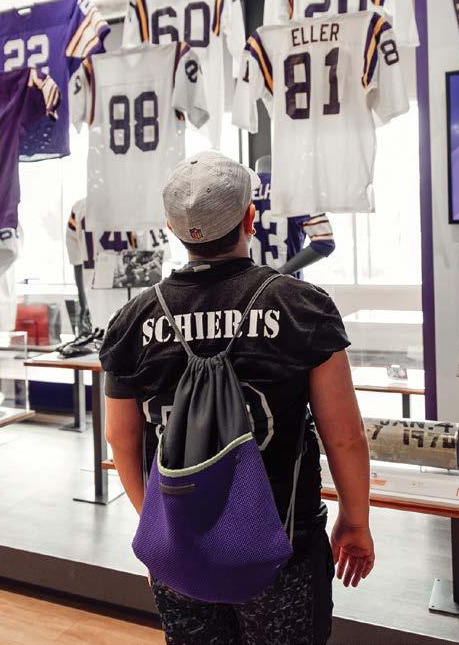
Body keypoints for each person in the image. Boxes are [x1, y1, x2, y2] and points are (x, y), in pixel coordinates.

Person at [101, 151, 374, 645]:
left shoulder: (131, 320)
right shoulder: (300, 305)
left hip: (182, 539)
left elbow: (120, 438)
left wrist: (160, 529)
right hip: (284, 541)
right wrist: (355, 521)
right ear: (250, 218)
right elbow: (346, 437)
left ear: (171, 228)